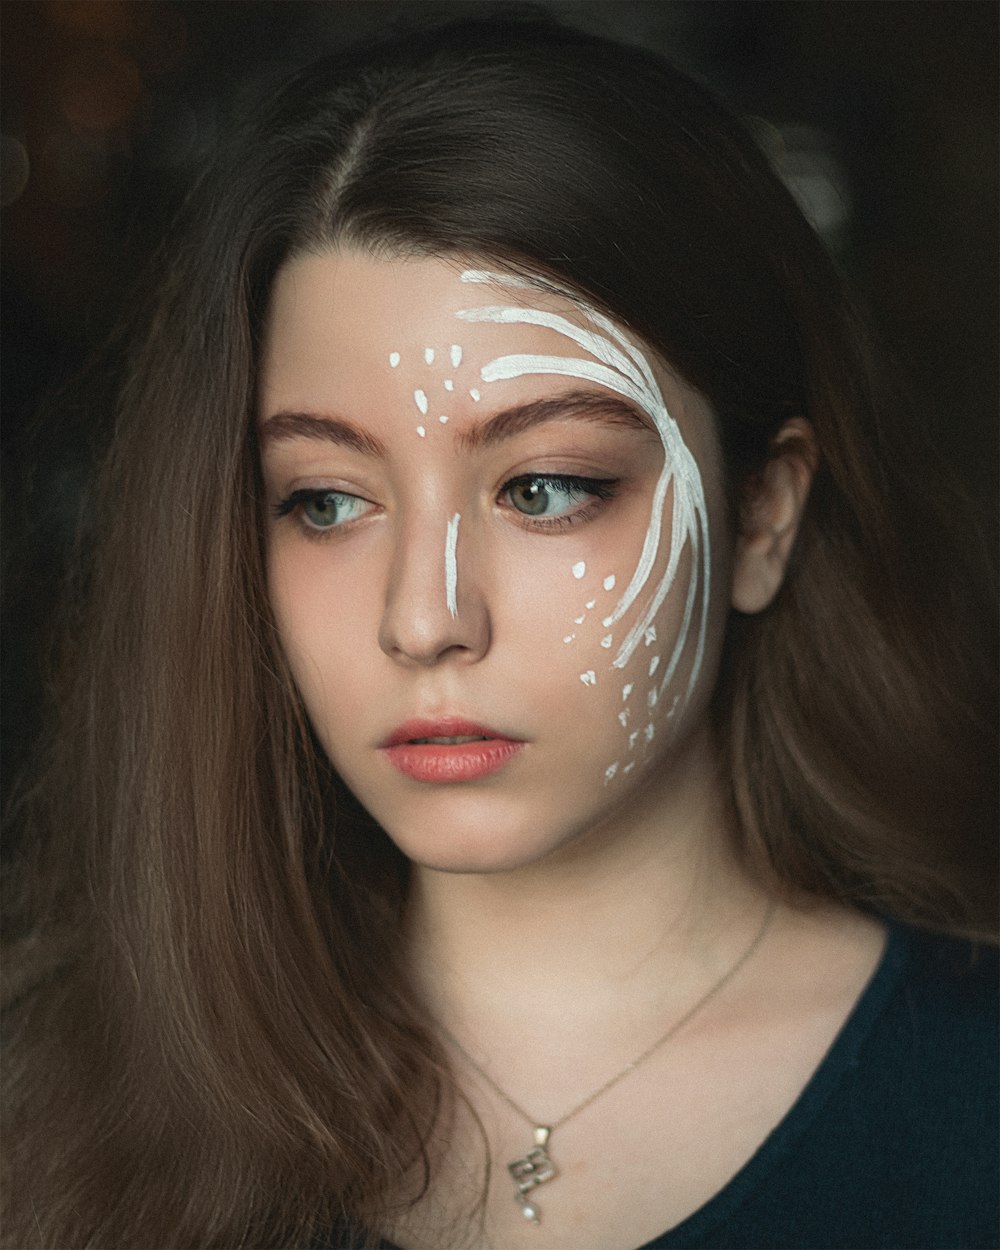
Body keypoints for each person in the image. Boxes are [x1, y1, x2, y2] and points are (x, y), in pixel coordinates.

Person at [3, 13, 996, 1250]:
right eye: (326, 500)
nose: (424, 619)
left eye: (544, 487)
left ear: (760, 517)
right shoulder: (65, 1114)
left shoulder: (972, 1104)